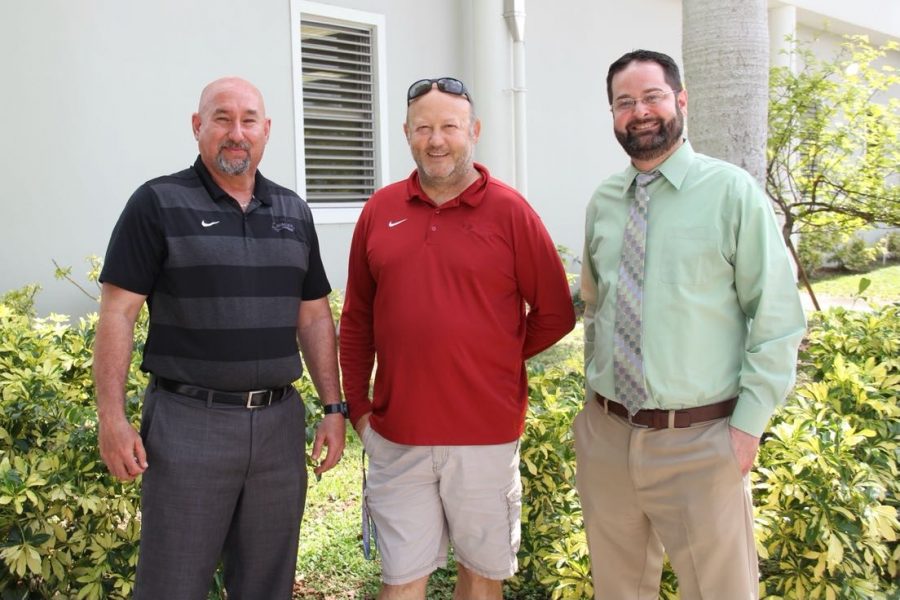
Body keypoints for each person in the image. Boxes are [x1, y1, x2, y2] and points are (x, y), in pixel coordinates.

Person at [93, 77, 346, 600]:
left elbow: (315, 317)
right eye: (222, 118)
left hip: (278, 427)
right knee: (172, 585)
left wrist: (333, 408)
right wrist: (112, 419)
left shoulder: (294, 212)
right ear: (197, 127)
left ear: (267, 130)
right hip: (189, 426)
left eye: (249, 119)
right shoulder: (157, 203)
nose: (237, 132)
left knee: (266, 585)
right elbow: (118, 314)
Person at [576, 50, 806, 600]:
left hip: (701, 442)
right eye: (624, 102)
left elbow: (776, 318)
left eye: (652, 96)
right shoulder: (605, 201)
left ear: (681, 100)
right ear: (612, 114)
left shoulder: (732, 193)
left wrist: (748, 426)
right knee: (618, 591)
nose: (640, 112)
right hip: (607, 437)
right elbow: (594, 302)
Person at [339, 77, 575, 600]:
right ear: (406, 134)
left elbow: (556, 313)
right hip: (398, 434)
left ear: (474, 131)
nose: (437, 139)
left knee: (480, 575)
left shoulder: (511, 212)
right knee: (400, 580)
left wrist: (490, 357)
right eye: (424, 128)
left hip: (485, 436)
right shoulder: (379, 211)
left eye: (450, 126)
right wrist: (359, 409)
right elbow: (356, 321)